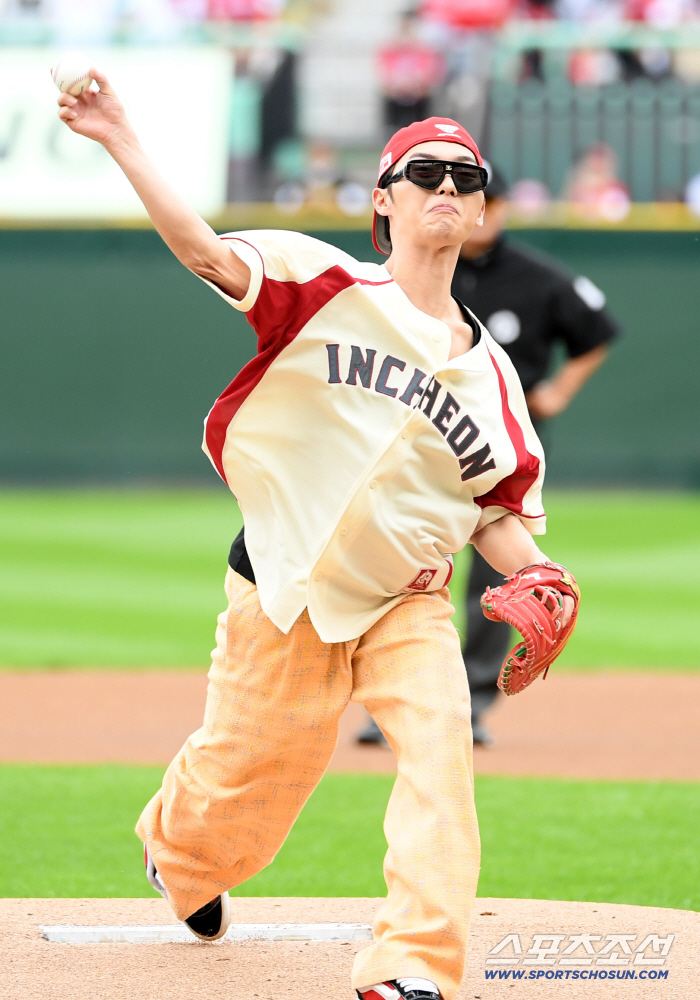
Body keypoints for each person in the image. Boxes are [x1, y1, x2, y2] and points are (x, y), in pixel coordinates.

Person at [58, 75, 575, 1000]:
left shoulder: (495, 381)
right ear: (386, 198)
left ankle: (412, 967)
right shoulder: (324, 284)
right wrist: (120, 136)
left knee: (440, 757)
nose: (449, 187)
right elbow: (206, 255)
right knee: (251, 784)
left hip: (406, 602)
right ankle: (179, 853)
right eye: (426, 172)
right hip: (283, 586)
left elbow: (499, 511)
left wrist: (541, 575)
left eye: (468, 174)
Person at [455, 163, 618, 745]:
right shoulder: (422, 268)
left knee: (493, 571)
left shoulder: (537, 277)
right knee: (405, 561)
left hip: (503, 434)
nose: (483, 211)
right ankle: (393, 696)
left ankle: (471, 698)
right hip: (420, 433)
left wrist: (560, 390)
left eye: (491, 202)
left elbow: (598, 329)